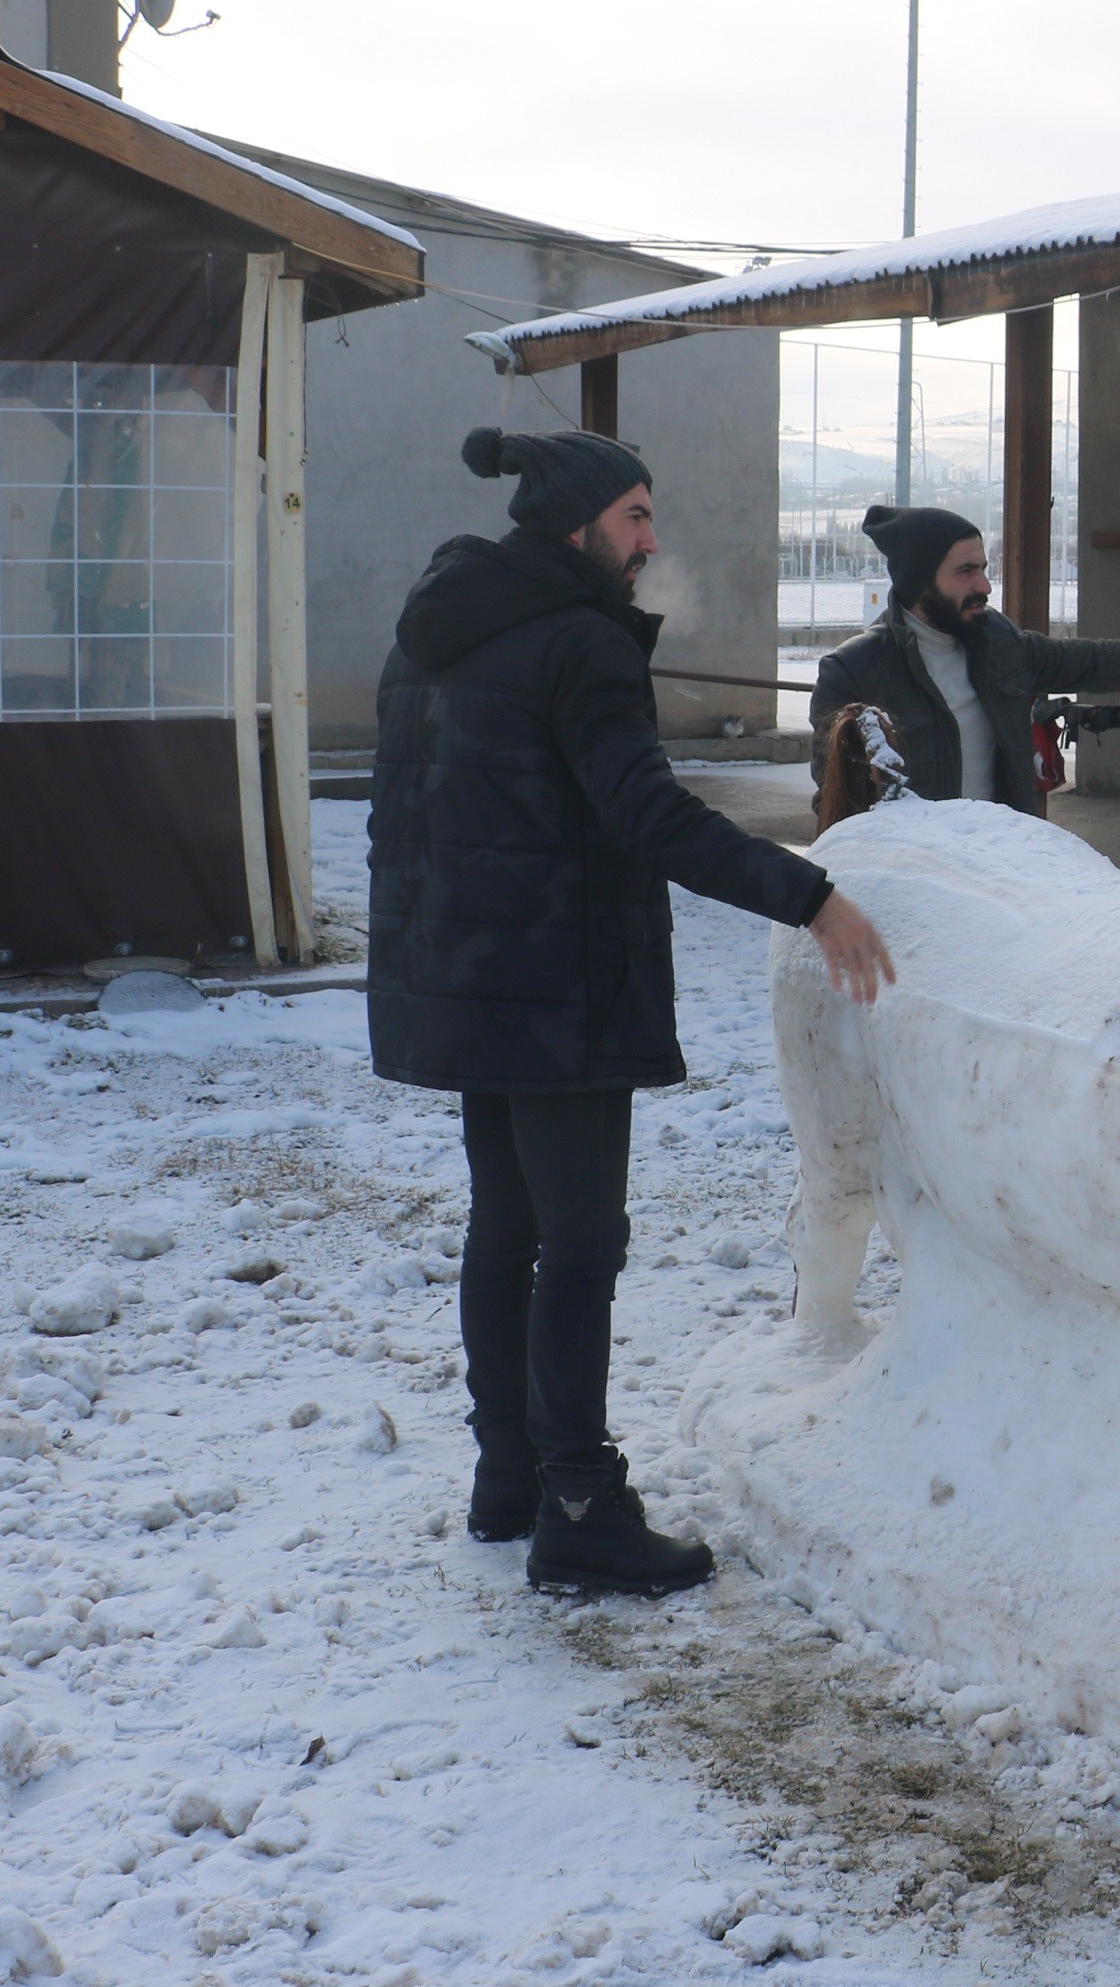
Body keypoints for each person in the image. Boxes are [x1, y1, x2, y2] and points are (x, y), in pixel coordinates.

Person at [369, 426, 895, 1599]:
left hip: (467, 975)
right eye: (635, 518)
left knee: (508, 1233)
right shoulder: (578, 643)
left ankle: (509, 1479)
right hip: (558, 985)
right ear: (576, 529)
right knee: (580, 1245)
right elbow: (646, 815)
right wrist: (808, 895)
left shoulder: (438, 633)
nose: (651, 542)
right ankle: (579, 1504)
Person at [811, 503, 1120, 809]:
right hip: (919, 894)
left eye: (983, 567)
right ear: (919, 582)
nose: (984, 584)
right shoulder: (854, 673)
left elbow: (1099, 662)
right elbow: (834, 808)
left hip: (1004, 874)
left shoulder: (999, 643)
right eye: (965, 572)